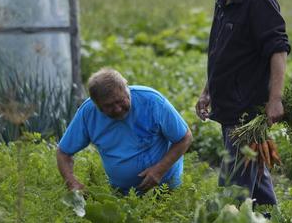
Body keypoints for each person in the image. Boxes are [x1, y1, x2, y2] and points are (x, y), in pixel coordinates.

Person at [195, 0, 290, 207]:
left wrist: (275, 98)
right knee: (255, 179)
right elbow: (220, 52)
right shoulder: (224, 1)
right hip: (229, 105)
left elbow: (278, 51)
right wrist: (207, 90)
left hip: (247, 109)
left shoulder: (259, 0)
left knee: (234, 184)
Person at [57, 68, 192, 194]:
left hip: (165, 189)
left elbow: (185, 138)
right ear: (96, 104)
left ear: (126, 89)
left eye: (120, 101)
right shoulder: (88, 113)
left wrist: (159, 170)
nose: (117, 109)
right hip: (122, 195)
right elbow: (63, 152)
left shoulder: (152, 101)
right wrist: (72, 183)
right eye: (108, 106)